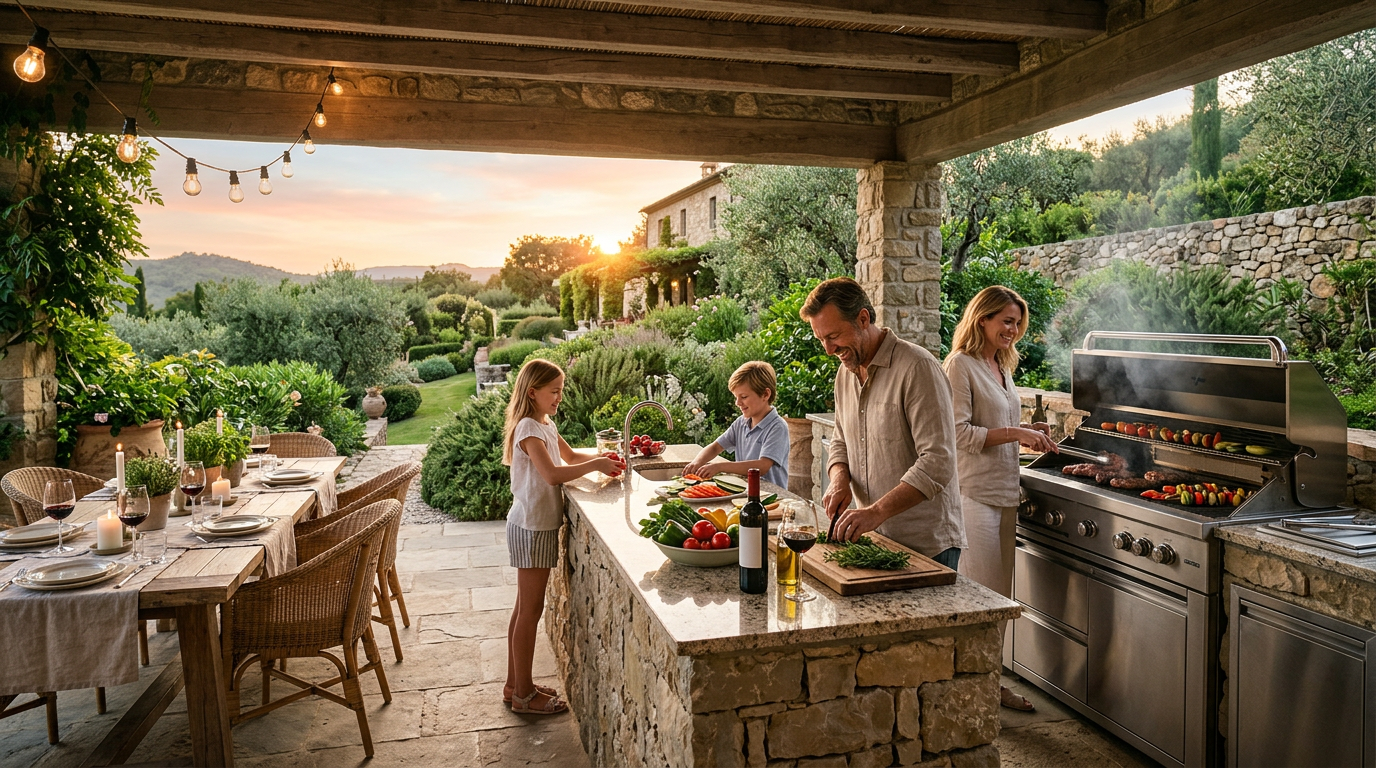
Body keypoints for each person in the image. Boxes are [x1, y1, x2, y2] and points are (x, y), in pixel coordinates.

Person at [944, 286, 1058, 711]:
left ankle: (988, 683)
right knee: (981, 599)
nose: (1013, 329)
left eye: (1017, 323)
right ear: (982, 320)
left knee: (1000, 598)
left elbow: (999, 426)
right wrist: (1016, 433)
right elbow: (956, 435)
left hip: (1006, 493)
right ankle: (976, 691)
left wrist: (1029, 435)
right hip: (973, 495)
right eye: (1006, 321)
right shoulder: (960, 366)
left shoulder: (1000, 366)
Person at [802, 277, 965, 569]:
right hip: (875, 539)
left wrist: (876, 511)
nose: (828, 349)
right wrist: (840, 480)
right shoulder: (845, 374)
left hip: (927, 546)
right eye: (821, 339)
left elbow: (938, 461)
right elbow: (840, 439)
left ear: (863, 318)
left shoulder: (917, 368)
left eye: (833, 336)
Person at [502, 358, 625, 715]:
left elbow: (570, 455)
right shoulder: (527, 428)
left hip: (533, 525)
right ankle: (524, 696)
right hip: (531, 527)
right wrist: (598, 465)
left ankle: (515, 685)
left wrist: (609, 456)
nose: (559, 397)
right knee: (530, 611)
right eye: (554, 391)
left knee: (522, 609)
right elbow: (554, 474)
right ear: (533, 392)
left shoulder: (544, 424)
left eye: (561, 390)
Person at [682, 361, 790, 488]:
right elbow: (716, 447)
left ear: (765, 394)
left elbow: (763, 465)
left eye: (743, 397)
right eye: (736, 397)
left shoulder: (777, 427)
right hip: (746, 492)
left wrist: (720, 467)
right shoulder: (741, 423)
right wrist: (696, 463)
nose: (737, 403)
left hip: (772, 497)